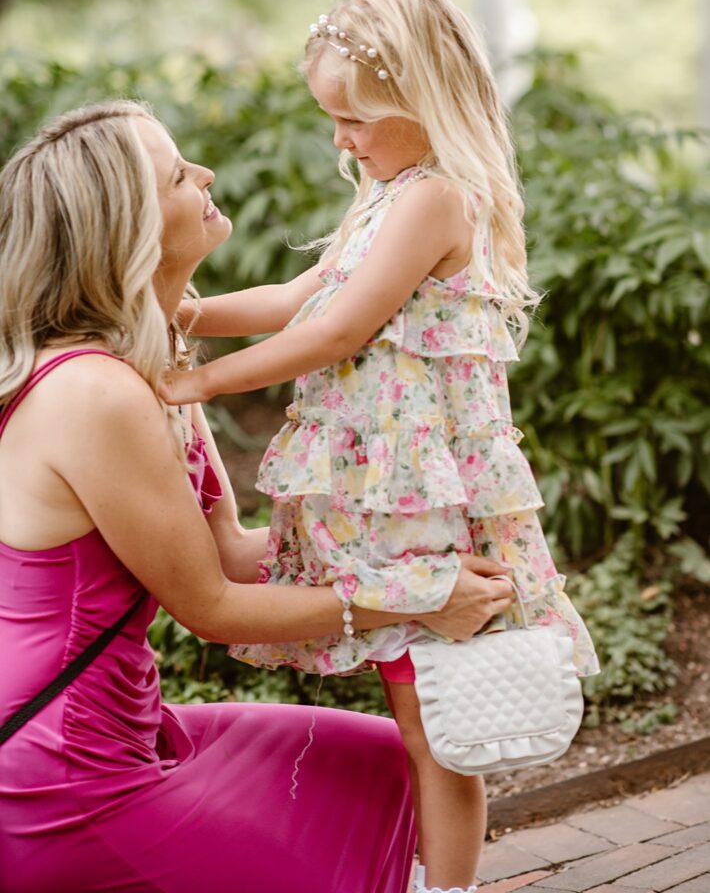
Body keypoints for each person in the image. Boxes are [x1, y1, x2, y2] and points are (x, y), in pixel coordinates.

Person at [0, 99, 516, 893]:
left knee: (386, 768)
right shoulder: (95, 393)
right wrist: (413, 598)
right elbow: (212, 608)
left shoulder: (154, 362)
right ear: (130, 227)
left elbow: (233, 557)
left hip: (131, 730)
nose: (205, 174)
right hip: (59, 775)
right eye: (179, 175)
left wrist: (413, 546)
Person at [160, 0, 600, 893]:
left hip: (423, 498)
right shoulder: (386, 190)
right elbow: (296, 297)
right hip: (387, 492)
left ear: (422, 98)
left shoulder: (436, 198)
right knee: (419, 711)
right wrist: (177, 314)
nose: (341, 139)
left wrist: (195, 379)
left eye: (354, 119)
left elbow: (336, 333)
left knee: (437, 724)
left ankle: (448, 888)